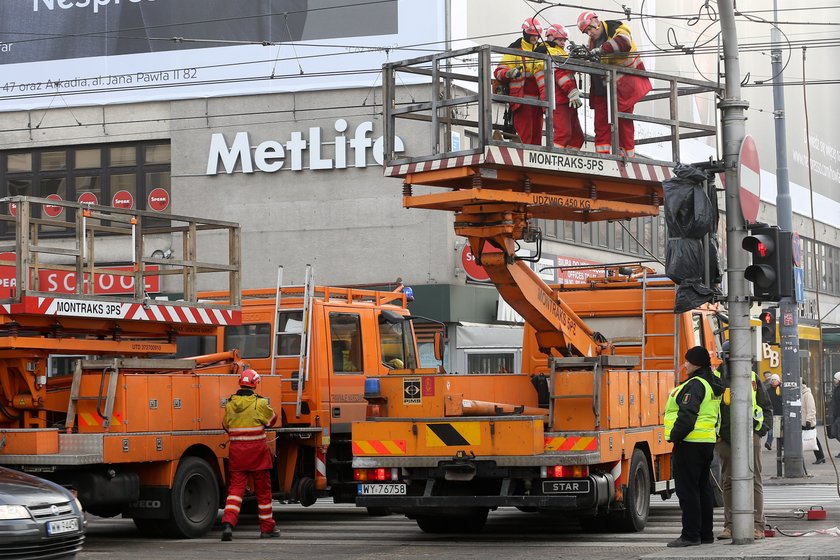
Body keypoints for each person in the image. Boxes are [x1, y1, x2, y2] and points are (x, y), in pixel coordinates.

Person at [663, 346, 724, 548]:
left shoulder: (695, 384)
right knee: (703, 489)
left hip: (689, 443)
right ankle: (705, 534)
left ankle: (690, 535)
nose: (685, 364)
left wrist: (674, 436)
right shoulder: (712, 382)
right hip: (706, 442)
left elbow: (687, 416)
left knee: (688, 491)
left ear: (696, 363)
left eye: (688, 361)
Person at [576, 11, 652, 158]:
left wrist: (601, 50)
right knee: (601, 125)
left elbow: (624, 43)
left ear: (596, 21)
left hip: (624, 87)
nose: (589, 33)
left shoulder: (616, 28)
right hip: (601, 89)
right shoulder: (592, 42)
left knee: (624, 122)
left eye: (590, 29)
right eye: (586, 32)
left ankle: (627, 157)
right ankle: (602, 157)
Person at [220, 369, 280, 541]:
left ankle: (228, 524)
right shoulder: (259, 404)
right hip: (257, 453)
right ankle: (267, 528)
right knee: (263, 491)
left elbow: (225, 425)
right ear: (255, 384)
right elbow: (272, 420)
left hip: (237, 453)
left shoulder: (230, 404)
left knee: (236, 490)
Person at [715, 366, 772, 541]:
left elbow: (766, 406)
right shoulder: (715, 378)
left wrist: (760, 431)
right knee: (728, 481)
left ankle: (757, 526)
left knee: (754, 478)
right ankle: (730, 526)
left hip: (749, 434)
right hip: (724, 437)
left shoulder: (752, 376)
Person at [494, 17, 546, 145]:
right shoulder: (515, 50)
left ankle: (533, 164)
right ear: (525, 33)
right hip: (522, 102)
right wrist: (509, 73)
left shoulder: (542, 49)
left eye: (537, 36)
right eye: (532, 35)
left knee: (536, 137)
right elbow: (499, 72)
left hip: (539, 102)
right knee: (525, 136)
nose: (535, 38)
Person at [534, 24, 584, 149]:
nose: (562, 43)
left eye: (564, 40)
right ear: (550, 38)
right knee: (563, 134)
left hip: (566, 99)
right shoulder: (547, 51)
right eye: (560, 40)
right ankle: (554, 162)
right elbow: (558, 73)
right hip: (557, 99)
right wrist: (572, 90)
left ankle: (569, 164)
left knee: (577, 138)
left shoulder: (559, 52)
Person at [801, 380, 825, 465]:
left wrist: (808, 420)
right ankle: (820, 457)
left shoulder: (807, 395)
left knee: (813, 439)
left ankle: (820, 457)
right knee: (811, 439)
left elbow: (811, 409)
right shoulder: (800, 395)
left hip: (807, 421)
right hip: (802, 421)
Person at [764, 373, 782, 450]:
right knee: (771, 429)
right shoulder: (768, 390)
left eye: (775, 380)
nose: (774, 382)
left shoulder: (782, 389)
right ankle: (769, 442)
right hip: (772, 412)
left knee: (781, 429)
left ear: (778, 381)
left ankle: (782, 444)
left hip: (781, 412)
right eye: (772, 380)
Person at [831, 372, 840, 457]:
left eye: (835, 379)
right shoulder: (836, 388)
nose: (834, 380)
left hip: (839, 415)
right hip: (837, 414)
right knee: (835, 432)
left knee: (836, 432)